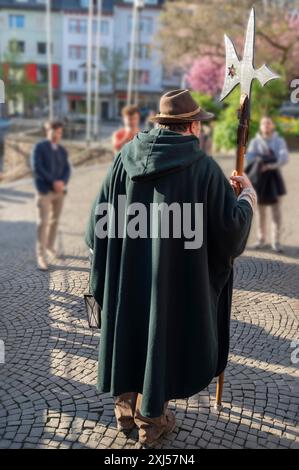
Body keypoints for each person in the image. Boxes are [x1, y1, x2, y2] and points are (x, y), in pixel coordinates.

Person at [85, 89, 256, 446]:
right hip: (173, 283)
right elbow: (230, 233)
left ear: (162, 123)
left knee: (129, 332)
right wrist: (245, 198)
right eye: (199, 124)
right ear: (192, 126)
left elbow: (96, 222)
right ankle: (152, 420)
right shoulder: (204, 168)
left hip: (128, 277)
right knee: (160, 338)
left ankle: (124, 411)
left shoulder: (124, 157)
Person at [31, 120, 71, 271]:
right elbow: (37, 167)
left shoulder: (62, 150)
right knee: (43, 222)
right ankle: (41, 256)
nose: (56, 135)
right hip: (45, 191)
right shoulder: (39, 147)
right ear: (47, 131)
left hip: (59, 192)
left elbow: (67, 169)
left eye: (59, 132)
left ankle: (50, 246)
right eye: (54, 132)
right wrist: (53, 181)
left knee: (55, 221)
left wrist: (63, 182)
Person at [246, 116, 288, 252]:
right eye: (263, 123)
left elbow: (283, 157)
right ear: (260, 126)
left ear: (273, 126)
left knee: (277, 213)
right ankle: (261, 239)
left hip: (275, 179)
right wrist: (266, 159)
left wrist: (268, 165)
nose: (266, 125)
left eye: (268, 123)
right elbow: (250, 158)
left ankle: (276, 241)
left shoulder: (279, 141)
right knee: (261, 213)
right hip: (260, 180)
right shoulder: (255, 142)